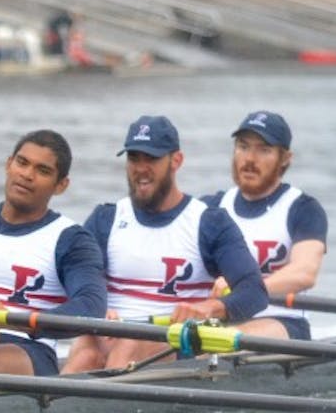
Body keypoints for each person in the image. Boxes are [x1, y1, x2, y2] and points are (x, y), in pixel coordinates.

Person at [61, 116, 266, 373]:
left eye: (151, 158)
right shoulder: (105, 219)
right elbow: (75, 279)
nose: (141, 168)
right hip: (106, 332)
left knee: (127, 346)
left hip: (174, 342)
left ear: (176, 161)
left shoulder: (210, 223)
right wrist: (94, 306)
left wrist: (210, 308)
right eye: (134, 158)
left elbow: (254, 291)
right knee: (85, 357)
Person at [0, 130, 106, 376]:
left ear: (61, 185)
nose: (27, 175)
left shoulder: (71, 240)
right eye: (22, 163)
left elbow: (91, 305)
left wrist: (16, 320)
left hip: (30, 348)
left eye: (43, 171)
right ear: (8, 164)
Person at [203, 111, 327, 340]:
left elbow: (305, 272)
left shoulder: (302, 209)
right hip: (219, 320)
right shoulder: (212, 207)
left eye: (264, 150)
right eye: (243, 146)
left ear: (285, 158)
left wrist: (245, 289)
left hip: (282, 321)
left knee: (217, 342)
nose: (250, 158)